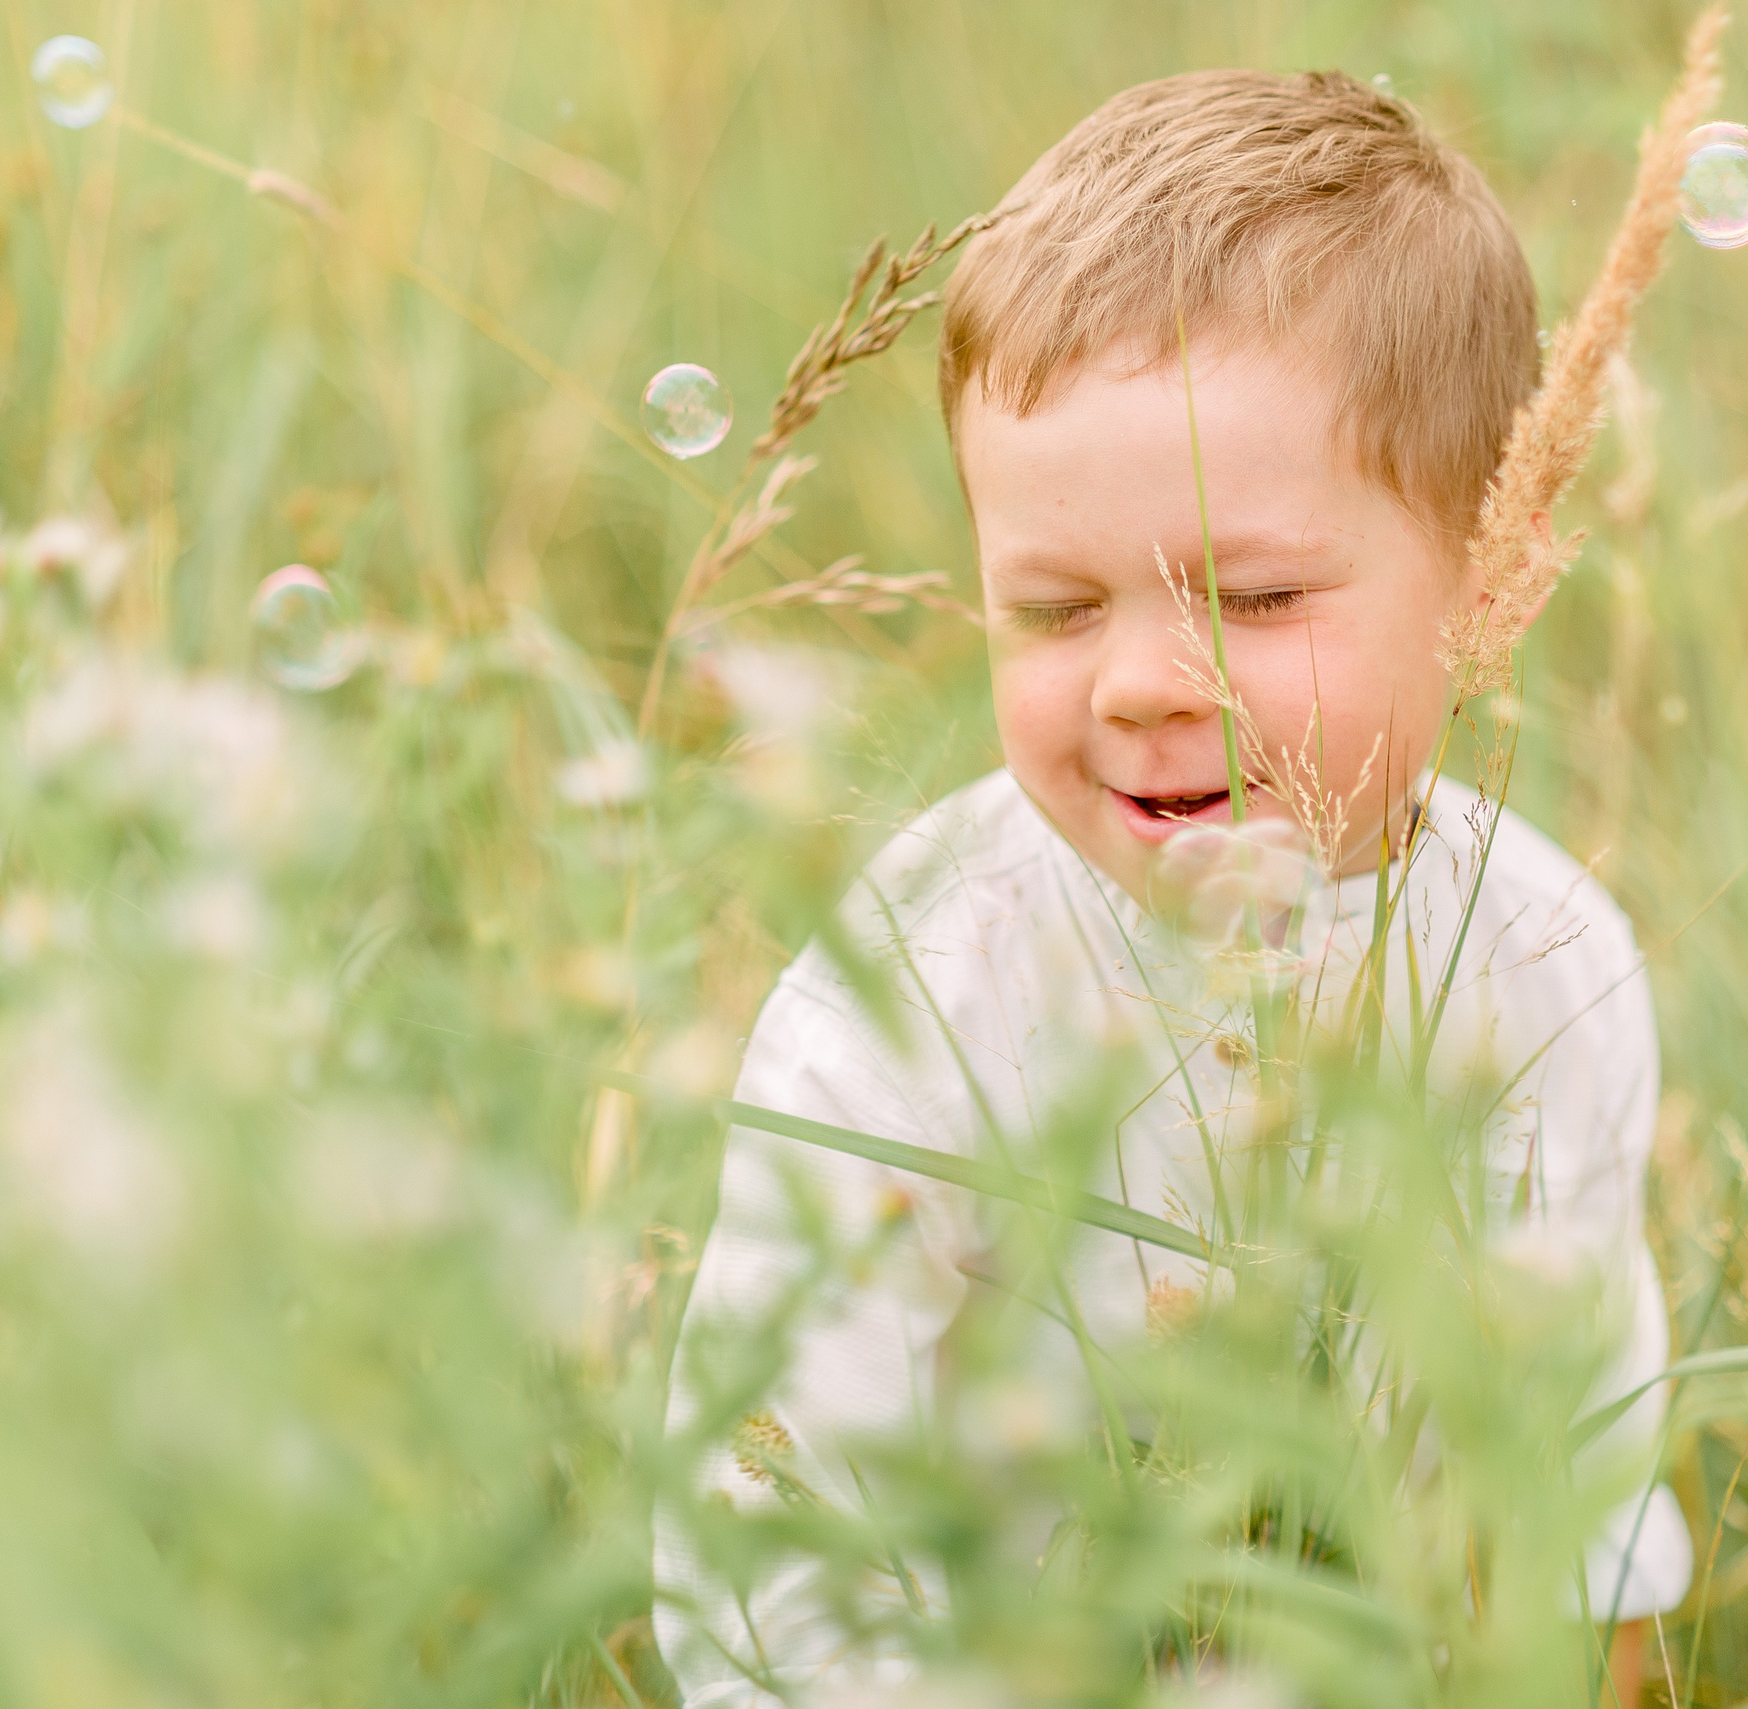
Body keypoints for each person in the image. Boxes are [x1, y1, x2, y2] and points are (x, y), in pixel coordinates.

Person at [655, 67, 1689, 1704]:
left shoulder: (1545, 962)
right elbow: (775, 1489)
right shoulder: (924, 980)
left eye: (1255, 593)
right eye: (1055, 611)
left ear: (1494, 563)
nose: (1139, 682)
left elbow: (1576, 1462)